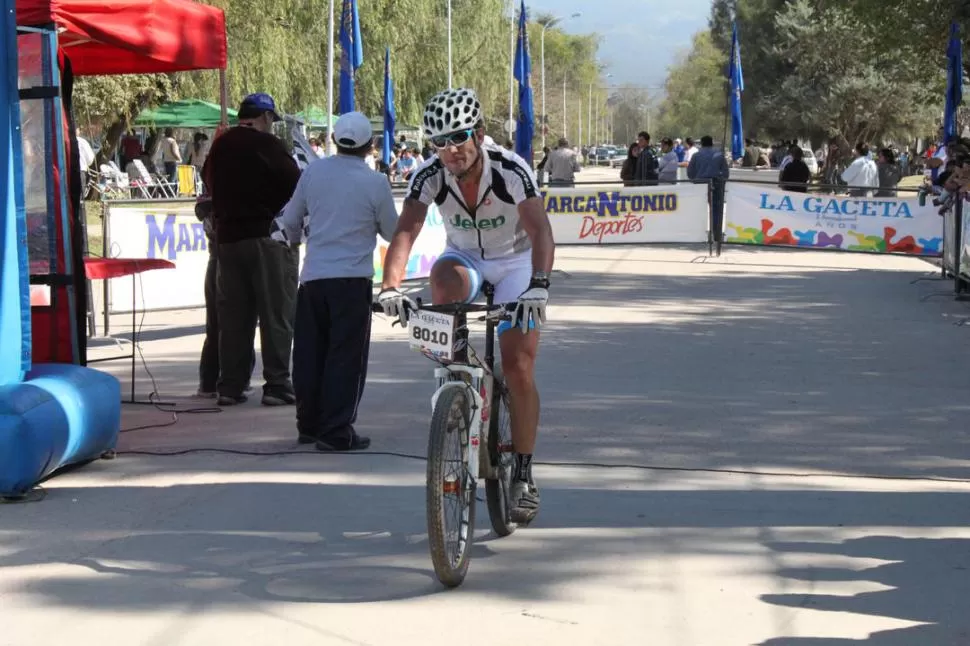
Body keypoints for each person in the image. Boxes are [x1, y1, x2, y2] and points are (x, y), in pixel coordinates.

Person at [377, 87, 555, 525]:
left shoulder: (511, 169)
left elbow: (540, 231)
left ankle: (524, 477)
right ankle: (458, 378)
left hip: (515, 262)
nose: (450, 150)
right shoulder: (429, 174)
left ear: (477, 132)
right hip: (468, 258)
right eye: (439, 142)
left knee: (518, 367)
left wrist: (538, 285)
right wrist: (390, 287)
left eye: (458, 138)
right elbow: (406, 231)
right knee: (443, 280)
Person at [271, 112, 399, 451]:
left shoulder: (313, 172)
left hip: (313, 279)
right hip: (352, 281)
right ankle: (336, 429)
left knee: (310, 354)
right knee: (346, 357)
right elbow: (391, 231)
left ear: (335, 140)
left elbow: (291, 220)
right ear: (370, 145)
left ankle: (309, 424)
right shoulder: (375, 183)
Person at [203, 92, 301, 407]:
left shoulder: (220, 146)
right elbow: (296, 186)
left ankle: (230, 386)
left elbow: (208, 182)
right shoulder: (269, 146)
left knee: (233, 316)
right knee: (276, 312)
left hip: (228, 240)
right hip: (267, 238)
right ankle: (276, 384)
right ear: (265, 117)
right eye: (272, 120)